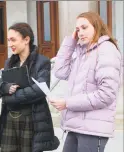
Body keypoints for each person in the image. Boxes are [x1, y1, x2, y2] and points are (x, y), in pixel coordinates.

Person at [50, 11, 122, 152]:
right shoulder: (82, 53)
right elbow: (60, 71)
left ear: (96, 26)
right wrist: (69, 43)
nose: (80, 33)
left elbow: (106, 94)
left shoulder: (106, 49)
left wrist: (67, 103)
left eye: (84, 27)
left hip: (93, 129)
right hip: (76, 124)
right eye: (77, 30)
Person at [0, 22, 60, 152]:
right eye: (8, 40)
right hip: (10, 119)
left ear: (26, 39)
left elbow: (40, 90)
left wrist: (10, 98)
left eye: (13, 40)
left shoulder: (42, 62)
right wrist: (6, 89)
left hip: (31, 120)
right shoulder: (10, 62)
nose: (9, 44)